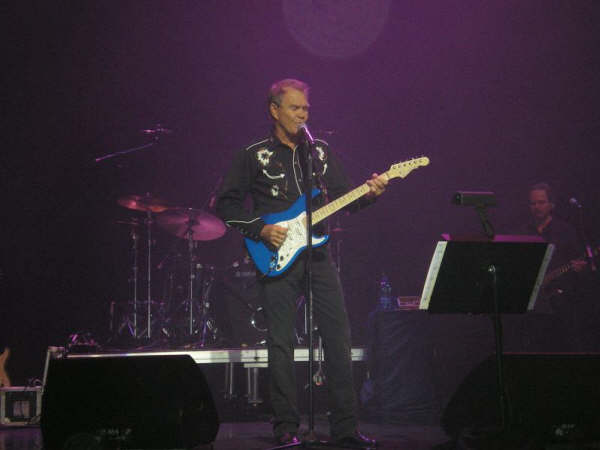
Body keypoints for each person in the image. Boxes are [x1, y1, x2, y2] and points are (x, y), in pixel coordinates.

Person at [216, 79, 387, 447]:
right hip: (276, 255)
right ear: (274, 110)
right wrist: (261, 229)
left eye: (306, 109)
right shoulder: (253, 153)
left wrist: (370, 193)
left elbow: (346, 199)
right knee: (281, 342)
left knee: (338, 337)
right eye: (294, 108)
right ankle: (286, 429)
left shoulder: (319, 152)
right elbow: (226, 205)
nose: (302, 115)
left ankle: (345, 427)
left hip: (318, 255)